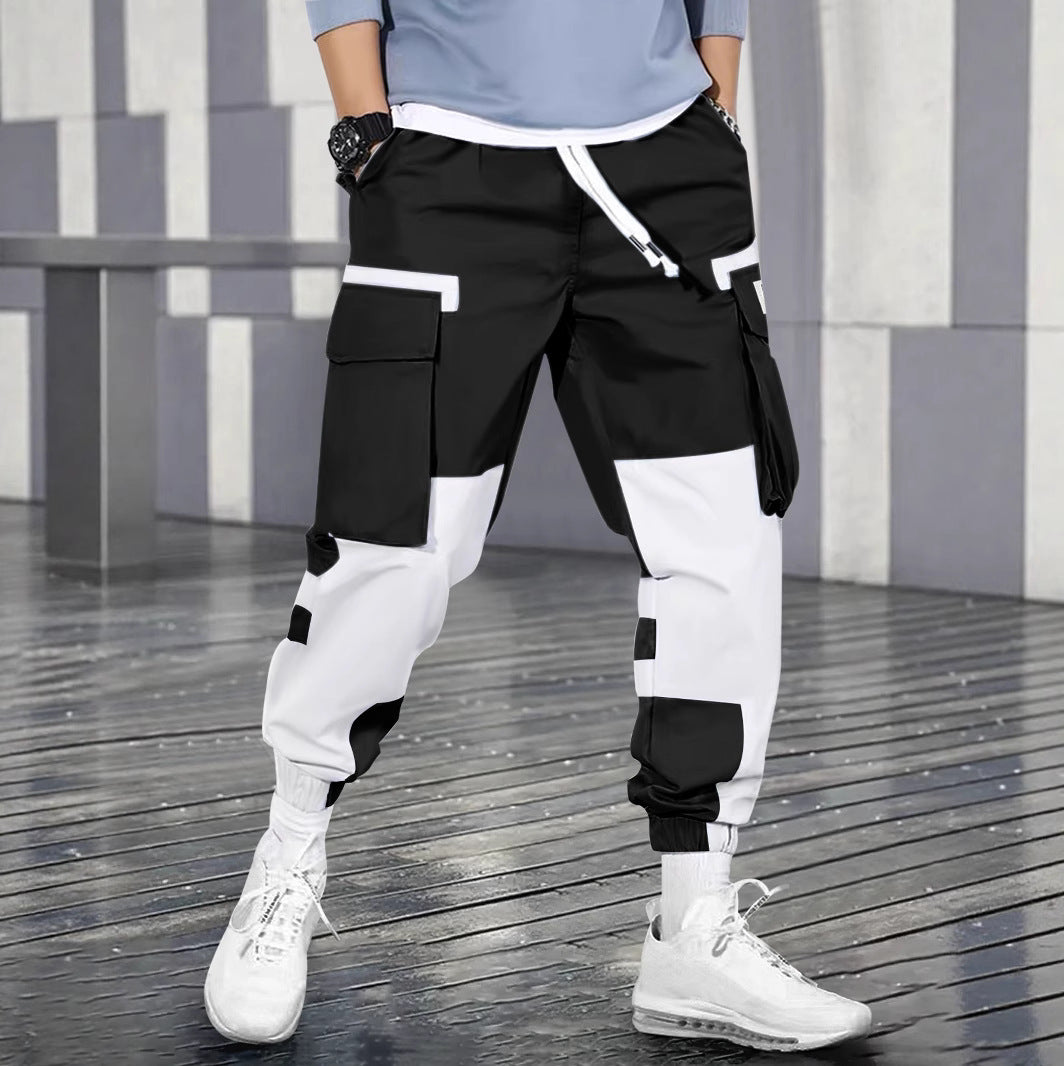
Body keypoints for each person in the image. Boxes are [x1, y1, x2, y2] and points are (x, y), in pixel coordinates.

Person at [203, 0, 871, 1051]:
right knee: (394, 540)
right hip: (446, 163)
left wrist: (714, 110)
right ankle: (286, 857)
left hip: (665, 164)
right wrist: (365, 123)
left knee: (722, 538)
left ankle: (694, 921)